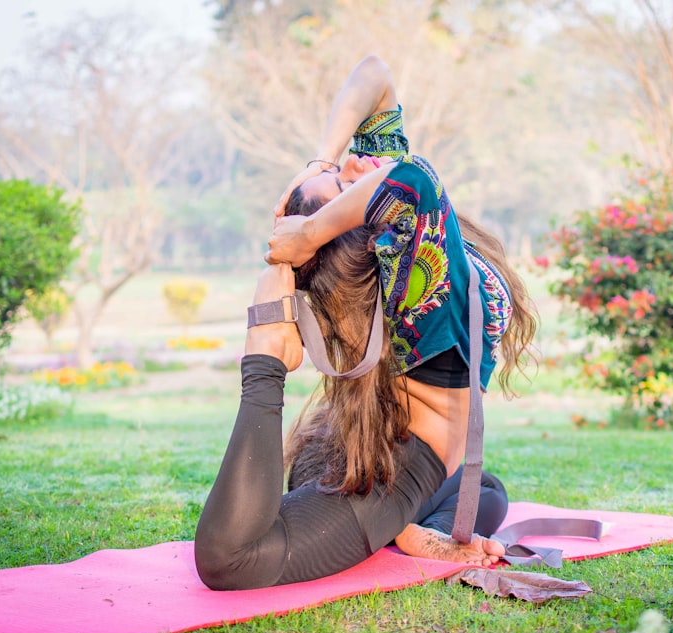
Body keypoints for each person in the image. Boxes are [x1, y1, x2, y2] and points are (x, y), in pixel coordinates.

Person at [194, 56, 536, 591]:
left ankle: (401, 529)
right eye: (340, 184)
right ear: (366, 243)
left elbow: (373, 74)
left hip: (395, 448)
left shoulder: (407, 246)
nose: (355, 161)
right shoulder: (418, 287)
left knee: (486, 489)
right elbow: (414, 177)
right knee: (233, 557)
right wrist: (267, 343)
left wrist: (317, 164)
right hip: (397, 464)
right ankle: (395, 518)